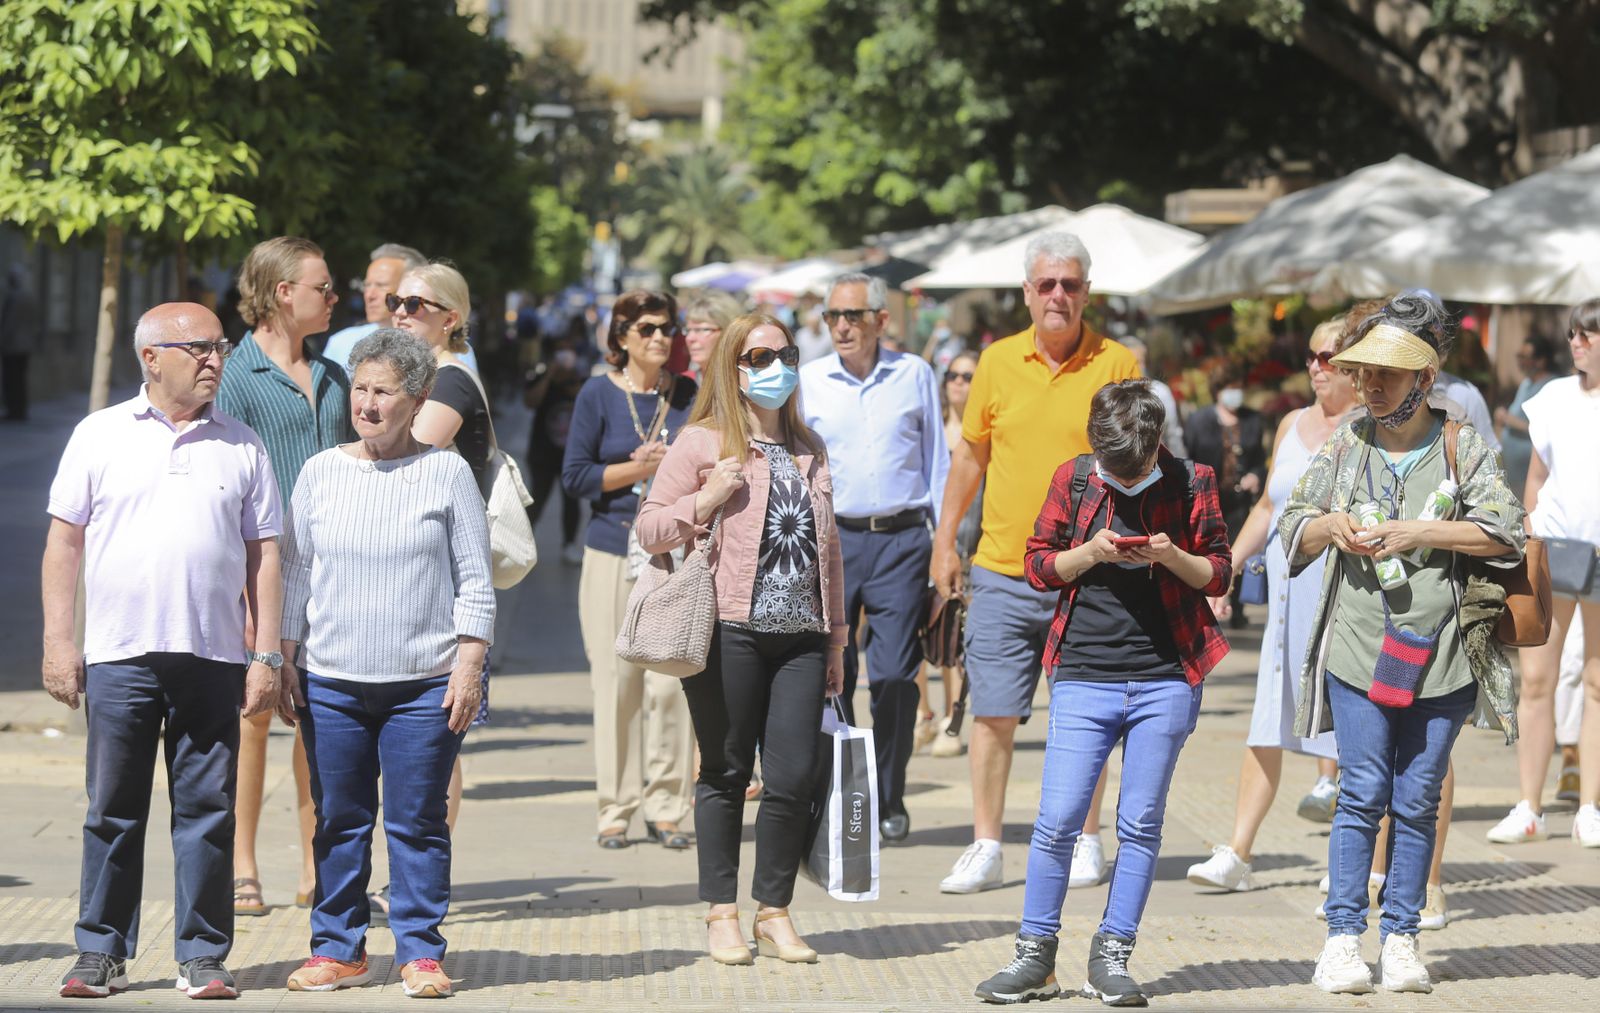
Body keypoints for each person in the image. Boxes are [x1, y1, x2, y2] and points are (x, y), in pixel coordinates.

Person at [1281, 292, 1525, 994]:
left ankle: (1404, 938)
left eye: (1388, 373)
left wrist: (1422, 531)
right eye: (1365, 373)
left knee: (1417, 799)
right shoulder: (1348, 442)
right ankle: (1340, 940)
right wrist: (1332, 527)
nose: (1371, 385)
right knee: (1361, 792)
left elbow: (1507, 530)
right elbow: (1293, 523)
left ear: (1424, 378)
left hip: (1443, 654)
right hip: (1358, 651)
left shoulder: (1461, 443)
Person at [47, 303, 284, 1000]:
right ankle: (100, 950)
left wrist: (266, 653)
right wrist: (61, 642)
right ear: (151, 358)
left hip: (211, 655)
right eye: (200, 348)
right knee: (112, 807)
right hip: (119, 654)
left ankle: (204, 954)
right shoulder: (99, 435)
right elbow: (64, 542)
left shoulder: (241, 444)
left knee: (208, 808)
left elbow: (263, 554)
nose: (216, 359)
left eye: (221, 347)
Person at [974, 379, 1231, 1005]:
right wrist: (1089, 552)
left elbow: (1219, 572)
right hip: (1084, 673)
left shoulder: (1191, 480)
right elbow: (1036, 566)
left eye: (1134, 467)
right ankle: (1034, 957)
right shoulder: (1076, 478)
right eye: (1111, 466)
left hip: (1166, 676)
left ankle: (1112, 956)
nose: (1121, 477)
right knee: (1057, 820)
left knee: (1140, 823)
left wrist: (1170, 555)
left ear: (1155, 445)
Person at [279, 329, 493, 998]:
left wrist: (468, 666)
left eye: (384, 392)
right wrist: (283, 656)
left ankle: (420, 950)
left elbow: (474, 579)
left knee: (417, 820)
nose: (367, 405)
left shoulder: (447, 470)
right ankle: (338, 948)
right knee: (339, 817)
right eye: (361, 390)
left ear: (418, 398)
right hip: (332, 678)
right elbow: (295, 573)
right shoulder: (321, 471)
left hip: (423, 685)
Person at [930, 231, 1140, 895]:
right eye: (1046, 284)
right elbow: (971, 457)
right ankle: (986, 843)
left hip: (1089, 573)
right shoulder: (994, 362)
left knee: (1089, 714)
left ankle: (1084, 835)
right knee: (991, 714)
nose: (1058, 295)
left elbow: (1138, 463)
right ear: (1027, 291)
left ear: (1086, 292)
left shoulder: (1117, 362)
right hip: (1000, 568)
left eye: (1070, 284)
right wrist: (944, 540)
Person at [636, 313, 846, 966]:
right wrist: (706, 499)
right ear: (732, 368)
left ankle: (774, 910)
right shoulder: (702, 442)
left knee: (792, 778)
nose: (773, 366)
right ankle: (722, 910)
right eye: (758, 357)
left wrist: (837, 636)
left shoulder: (810, 446)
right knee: (726, 772)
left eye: (783, 354)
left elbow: (830, 551)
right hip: (729, 630)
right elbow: (648, 527)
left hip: (803, 636)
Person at [1186, 317, 1358, 896]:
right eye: (1311, 355)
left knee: (1350, 738)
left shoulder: (1369, 428)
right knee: (1266, 725)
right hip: (1286, 604)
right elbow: (1265, 507)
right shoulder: (1291, 423)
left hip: (1345, 605)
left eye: (1329, 356)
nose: (1316, 366)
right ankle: (1238, 851)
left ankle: (1350, 865)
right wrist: (1225, 568)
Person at [217, 236, 353, 918]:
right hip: (257, 568)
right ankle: (241, 865)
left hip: (328, 572)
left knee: (316, 719)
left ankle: (313, 862)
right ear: (281, 294)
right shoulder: (236, 376)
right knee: (253, 713)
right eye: (323, 287)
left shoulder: (332, 375)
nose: (334, 297)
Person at [800, 272, 948, 843]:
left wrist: (944, 545)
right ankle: (850, 790)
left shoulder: (915, 375)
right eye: (833, 315)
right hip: (833, 539)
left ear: (882, 321)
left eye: (853, 316)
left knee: (893, 676)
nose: (841, 326)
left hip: (903, 541)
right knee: (837, 675)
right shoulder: (809, 381)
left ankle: (890, 791)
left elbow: (936, 461)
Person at [562, 291, 699, 850]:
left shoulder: (689, 394)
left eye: (667, 328)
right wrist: (635, 468)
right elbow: (576, 477)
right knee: (616, 686)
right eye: (645, 329)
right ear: (621, 337)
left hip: (674, 555)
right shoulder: (597, 393)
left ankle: (667, 806)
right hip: (611, 549)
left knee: (670, 687)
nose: (659, 337)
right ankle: (614, 808)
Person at [1488, 297, 1600, 848]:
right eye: (1575, 333)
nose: (1578, 342)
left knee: (1599, 683)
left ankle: (1589, 807)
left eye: (1590, 334)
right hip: (1554, 548)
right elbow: (1536, 475)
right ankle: (1528, 805)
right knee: (1535, 680)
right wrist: (1530, 533)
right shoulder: (1552, 398)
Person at [916, 350, 982, 759]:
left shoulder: (982, 435)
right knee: (922, 634)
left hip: (970, 544)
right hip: (922, 542)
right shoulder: (934, 430)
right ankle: (925, 714)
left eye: (967, 375)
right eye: (952, 375)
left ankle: (953, 720)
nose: (958, 382)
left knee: (954, 638)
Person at [1184, 360, 1268, 629]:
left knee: (1237, 552)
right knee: (1208, 552)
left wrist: (1256, 475)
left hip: (1240, 500)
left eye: (1238, 387)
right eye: (1229, 388)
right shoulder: (1199, 420)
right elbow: (1188, 457)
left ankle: (1238, 607)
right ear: (1218, 390)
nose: (1235, 393)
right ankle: (1207, 601)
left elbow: (1260, 460)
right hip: (1208, 499)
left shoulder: (1252, 420)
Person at [525, 336, 591, 566]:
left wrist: (572, 382)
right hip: (542, 452)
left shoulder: (580, 379)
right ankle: (523, 543)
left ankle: (570, 544)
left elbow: (589, 405)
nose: (566, 356)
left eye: (570, 350)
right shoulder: (542, 377)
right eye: (561, 351)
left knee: (571, 501)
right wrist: (550, 375)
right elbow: (530, 401)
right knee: (538, 499)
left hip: (571, 454)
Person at [319, 243, 429, 374]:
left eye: (381, 285)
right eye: (367, 285)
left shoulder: (437, 349)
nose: (369, 295)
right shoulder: (341, 343)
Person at [1494, 334, 1559, 507]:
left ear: (1541, 361)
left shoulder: (1552, 387)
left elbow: (1550, 428)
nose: (1520, 361)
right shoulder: (1526, 384)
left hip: (1531, 473)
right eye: (1519, 356)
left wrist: (1510, 420)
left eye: (1525, 357)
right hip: (1514, 471)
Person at [1120, 336, 1185, 456]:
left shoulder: (1160, 391)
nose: (1139, 367)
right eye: (1134, 362)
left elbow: (1173, 434)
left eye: (1141, 361)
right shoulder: (1111, 396)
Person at [0, 261, 40, 421]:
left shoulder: (15, 297)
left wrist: (2, 340)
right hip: (25, 345)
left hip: (13, 346)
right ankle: (19, 410)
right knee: (20, 379)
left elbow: (10, 323)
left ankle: (15, 411)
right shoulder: (29, 296)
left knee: (12, 380)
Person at [682, 290, 744, 381]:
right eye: (688, 330)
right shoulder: (682, 385)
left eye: (701, 329)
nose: (689, 338)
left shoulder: (748, 385)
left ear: (728, 332)